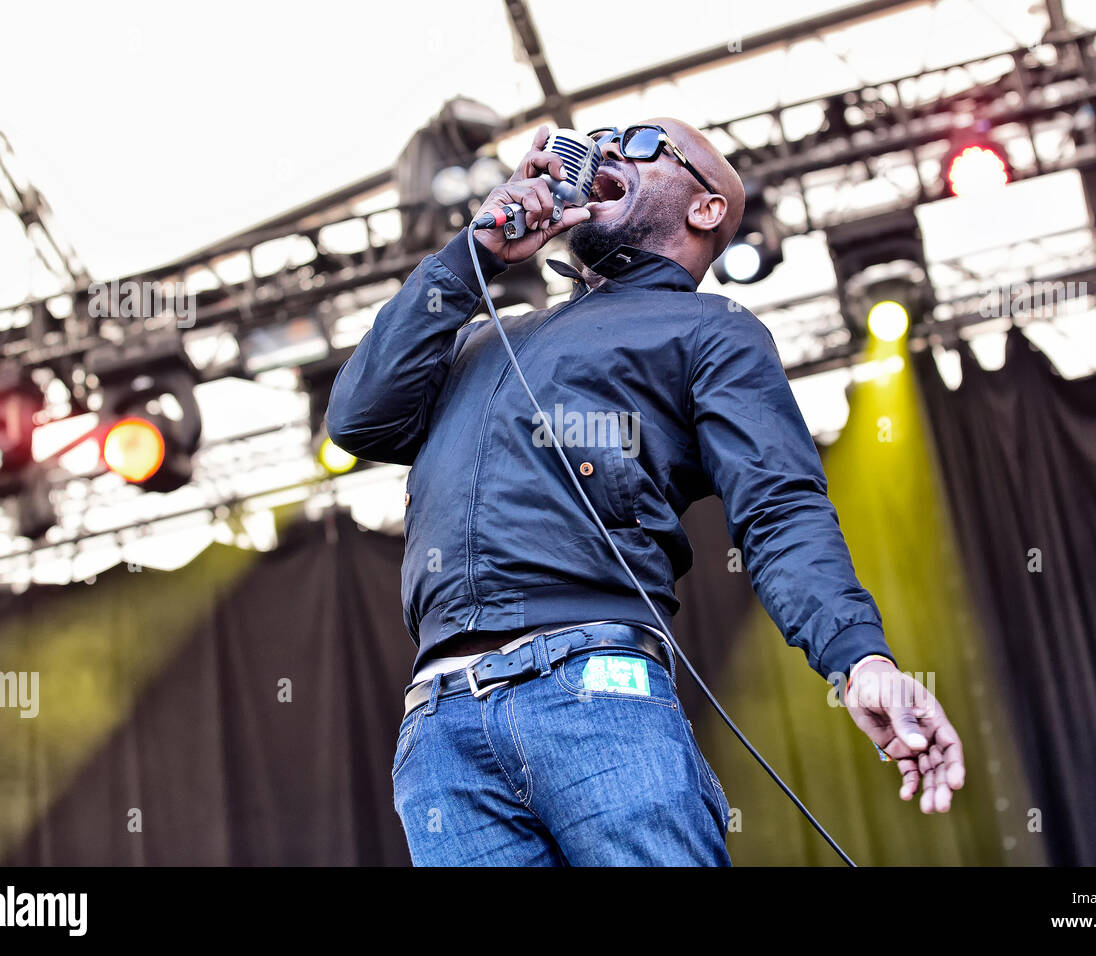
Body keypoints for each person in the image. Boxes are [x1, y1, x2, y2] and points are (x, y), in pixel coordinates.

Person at [326, 120, 965, 866]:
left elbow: (780, 508)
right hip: (439, 725)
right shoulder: (478, 339)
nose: (603, 151)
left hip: (590, 685)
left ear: (705, 209)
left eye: (636, 142)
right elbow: (358, 417)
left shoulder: (709, 329)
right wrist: (475, 255)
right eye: (596, 140)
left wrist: (861, 659)